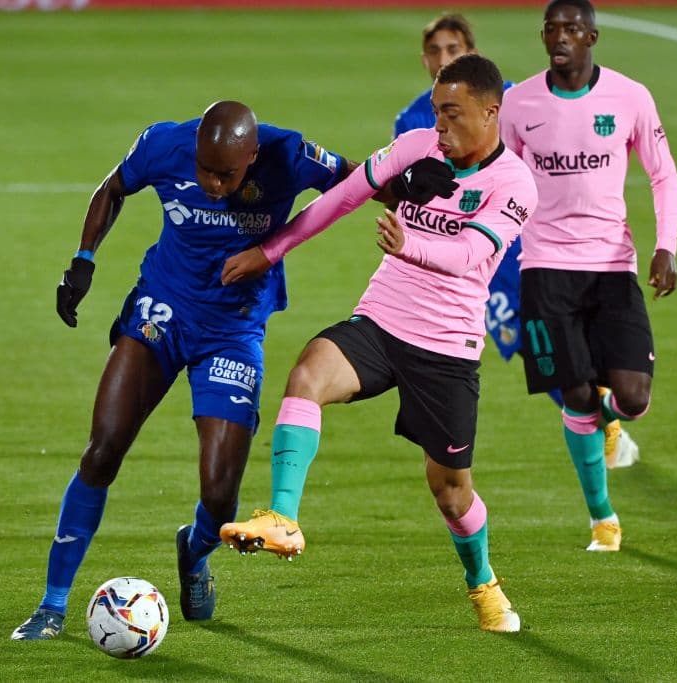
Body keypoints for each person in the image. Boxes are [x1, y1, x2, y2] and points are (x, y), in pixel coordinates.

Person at [11, 101, 361, 640]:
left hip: (233, 331)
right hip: (161, 310)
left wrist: (277, 246)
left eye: (226, 174)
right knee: (103, 451)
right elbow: (112, 189)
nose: (213, 184)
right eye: (204, 170)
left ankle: (193, 553)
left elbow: (359, 184)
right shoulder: (164, 143)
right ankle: (51, 605)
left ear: (252, 156)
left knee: (221, 498)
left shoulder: (289, 155)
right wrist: (83, 261)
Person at [219, 55, 538, 633]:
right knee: (309, 374)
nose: (438, 125)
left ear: (491, 113)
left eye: (452, 113)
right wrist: (271, 250)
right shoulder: (419, 148)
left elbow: (470, 257)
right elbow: (342, 195)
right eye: (436, 110)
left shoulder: (514, 183)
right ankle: (283, 517)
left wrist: (408, 244)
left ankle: (483, 582)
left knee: (450, 492)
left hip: (447, 347)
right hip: (383, 318)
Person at [396, 12, 639, 470]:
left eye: (453, 49)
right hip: (472, 260)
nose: (443, 58)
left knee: (568, 339)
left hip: (526, 246)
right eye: (435, 51)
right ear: (425, 59)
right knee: (536, 345)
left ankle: (601, 421)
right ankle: (602, 425)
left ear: (471, 49)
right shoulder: (413, 119)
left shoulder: (513, 98)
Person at [499, 0, 677, 551]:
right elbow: (501, 177)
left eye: (572, 28)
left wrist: (665, 246)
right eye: (552, 28)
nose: (561, 37)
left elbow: (663, 174)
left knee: (634, 396)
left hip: (611, 266)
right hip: (545, 268)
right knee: (573, 393)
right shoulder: (518, 102)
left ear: (592, 37)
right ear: (543, 36)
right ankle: (602, 516)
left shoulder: (629, 97)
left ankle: (608, 418)